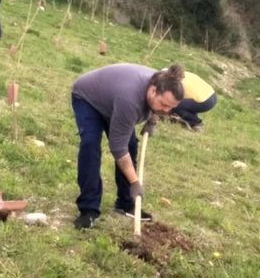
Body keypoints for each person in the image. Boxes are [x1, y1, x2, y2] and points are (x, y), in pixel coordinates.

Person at [70, 62, 185, 230]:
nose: (166, 111)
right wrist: (134, 182)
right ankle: (88, 210)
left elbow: (157, 107)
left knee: (130, 145)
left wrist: (152, 120)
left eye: (171, 107)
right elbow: (117, 148)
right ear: (153, 91)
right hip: (88, 99)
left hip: (113, 100)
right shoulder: (130, 99)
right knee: (90, 145)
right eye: (164, 104)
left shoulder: (163, 81)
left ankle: (125, 203)